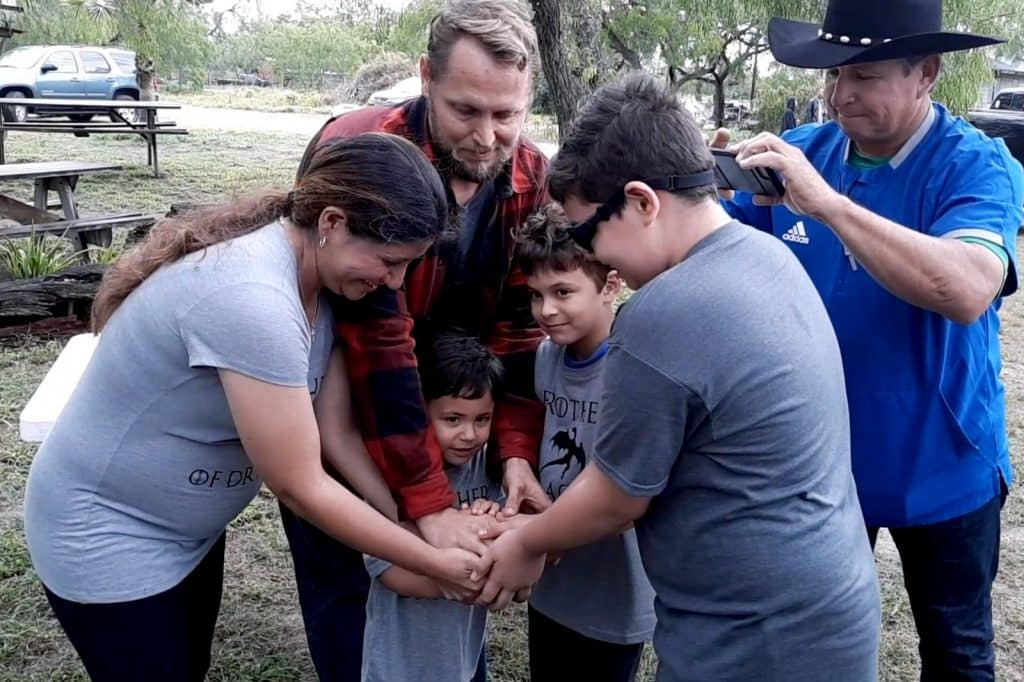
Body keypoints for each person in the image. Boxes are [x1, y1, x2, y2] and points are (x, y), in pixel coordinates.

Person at [22, 132, 483, 682]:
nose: (395, 282)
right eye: (389, 261)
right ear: (331, 223)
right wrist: (431, 562)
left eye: (408, 265)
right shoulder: (252, 300)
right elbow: (300, 485)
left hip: (188, 531)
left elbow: (333, 434)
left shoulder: (329, 279)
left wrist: (414, 520)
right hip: (110, 530)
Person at [478, 73, 881, 681]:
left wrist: (525, 542)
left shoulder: (665, 310)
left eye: (589, 232)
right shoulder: (766, 256)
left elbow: (616, 497)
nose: (594, 253)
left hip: (752, 638)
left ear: (642, 202)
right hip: (826, 611)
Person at [724, 1, 1023, 678]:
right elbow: (706, 238)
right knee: (813, 642)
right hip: (818, 464)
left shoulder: (977, 166)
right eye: (835, 75)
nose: (840, 94)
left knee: (957, 650)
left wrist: (826, 204)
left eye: (865, 76)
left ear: (927, 73)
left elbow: (966, 287)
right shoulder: (799, 155)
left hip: (943, 463)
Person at [283, 2, 551, 678]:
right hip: (349, 399)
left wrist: (515, 453)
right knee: (349, 580)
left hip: (451, 399)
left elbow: (519, 332)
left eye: (506, 115)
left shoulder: (529, 176)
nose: (488, 136)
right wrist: (424, 503)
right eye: (466, 111)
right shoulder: (365, 149)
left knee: (451, 571)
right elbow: (379, 344)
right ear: (426, 77)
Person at [513, 204, 655, 681]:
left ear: (610, 286)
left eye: (563, 292)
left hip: (616, 592)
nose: (545, 310)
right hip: (551, 583)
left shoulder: (636, 369)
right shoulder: (544, 358)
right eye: (535, 295)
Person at [361, 333, 505, 682]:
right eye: (453, 419)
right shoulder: (395, 476)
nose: (469, 434)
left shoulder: (488, 466)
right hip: (399, 665)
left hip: (462, 655)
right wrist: (459, 580)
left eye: (481, 419)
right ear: (421, 414)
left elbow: (503, 535)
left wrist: (490, 520)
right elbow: (386, 570)